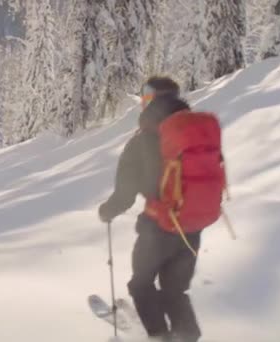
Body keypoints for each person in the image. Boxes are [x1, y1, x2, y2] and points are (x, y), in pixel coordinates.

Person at [98, 77, 202, 342]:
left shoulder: (143, 139)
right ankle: (188, 336)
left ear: (153, 98)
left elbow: (125, 193)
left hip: (159, 228)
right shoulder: (196, 132)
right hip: (192, 226)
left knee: (141, 284)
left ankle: (160, 338)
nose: (143, 102)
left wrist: (107, 211)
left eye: (146, 96)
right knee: (174, 290)